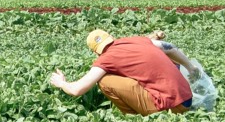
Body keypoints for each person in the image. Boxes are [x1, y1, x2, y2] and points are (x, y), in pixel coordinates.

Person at [48, 29, 205, 116]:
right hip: (186, 98)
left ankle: (134, 117)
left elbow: (77, 90)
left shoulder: (106, 59)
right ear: (112, 38)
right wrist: (190, 67)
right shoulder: (135, 40)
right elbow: (169, 46)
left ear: (96, 52)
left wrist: (62, 83)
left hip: (172, 106)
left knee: (105, 81)